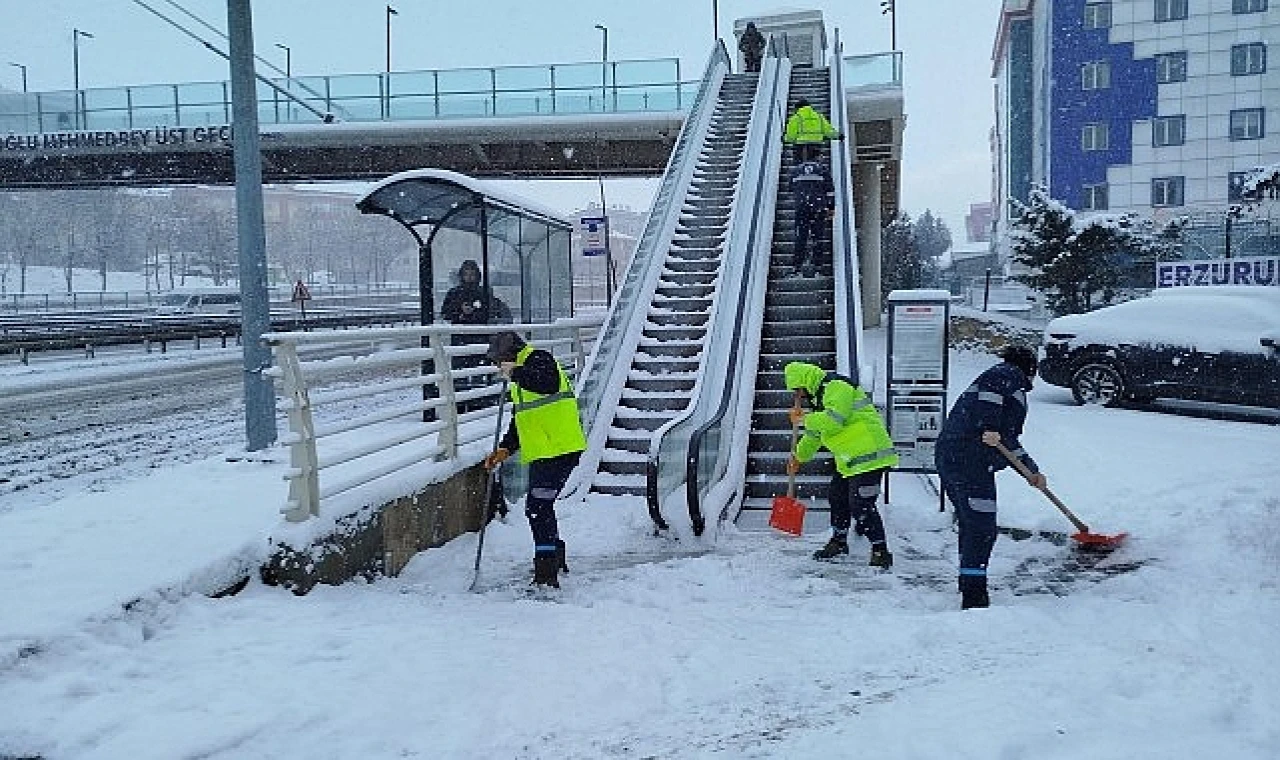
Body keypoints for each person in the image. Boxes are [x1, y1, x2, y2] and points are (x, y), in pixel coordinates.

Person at [934, 344, 1046, 610]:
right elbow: (996, 427)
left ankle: (968, 581)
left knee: (971, 524)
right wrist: (989, 427)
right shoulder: (1005, 377)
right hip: (969, 461)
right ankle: (974, 595)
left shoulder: (999, 376)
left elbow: (1004, 438)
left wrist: (1029, 471)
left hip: (953, 456)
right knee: (981, 528)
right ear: (1030, 370)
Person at [482, 331, 587, 588]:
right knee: (542, 506)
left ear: (511, 354)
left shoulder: (540, 360)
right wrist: (506, 448)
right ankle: (554, 557)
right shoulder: (522, 377)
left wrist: (515, 373)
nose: (498, 367)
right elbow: (523, 418)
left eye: (500, 361)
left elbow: (547, 383)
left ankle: (546, 572)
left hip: (561, 450)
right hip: (544, 452)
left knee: (537, 508)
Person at [784, 361, 898, 569]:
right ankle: (838, 541)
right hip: (849, 460)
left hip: (870, 454)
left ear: (805, 382)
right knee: (837, 498)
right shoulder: (819, 400)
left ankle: (880, 551)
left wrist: (805, 419)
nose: (798, 395)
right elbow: (814, 435)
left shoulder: (837, 386)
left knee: (861, 505)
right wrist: (799, 457)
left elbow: (834, 420)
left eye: (798, 390)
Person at [440, 260, 510, 413]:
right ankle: (460, 401)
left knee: (478, 369)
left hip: (478, 337)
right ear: (461, 276)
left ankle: (478, 400)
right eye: (466, 274)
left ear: (477, 275)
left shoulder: (484, 292)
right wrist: (460, 312)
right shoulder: (454, 293)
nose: (469, 277)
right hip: (461, 338)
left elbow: (494, 311)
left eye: (472, 274)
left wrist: (474, 313)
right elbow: (445, 313)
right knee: (460, 371)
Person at [788, 154, 834, 277]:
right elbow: (830, 191)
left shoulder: (796, 170)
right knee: (817, 237)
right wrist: (831, 208)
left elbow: (790, 188)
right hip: (818, 208)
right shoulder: (823, 170)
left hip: (801, 207)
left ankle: (796, 268)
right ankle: (818, 267)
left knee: (800, 237)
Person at [783, 98, 841, 162]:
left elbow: (791, 137)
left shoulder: (795, 118)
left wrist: (784, 138)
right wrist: (838, 136)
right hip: (817, 146)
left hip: (801, 147)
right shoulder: (819, 117)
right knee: (815, 166)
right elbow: (828, 131)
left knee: (801, 167)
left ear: (798, 108)